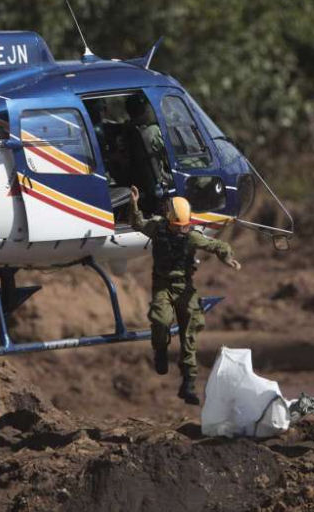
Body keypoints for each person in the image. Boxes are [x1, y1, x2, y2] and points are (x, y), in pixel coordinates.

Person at [130, 185, 241, 405]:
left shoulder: (192, 238)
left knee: (189, 335)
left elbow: (217, 245)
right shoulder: (157, 228)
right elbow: (138, 224)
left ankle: (188, 383)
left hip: (185, 288)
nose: (182, 229)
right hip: (163, 285)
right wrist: (134, 203)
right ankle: (160, 350)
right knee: (160, 320)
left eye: (185, 226)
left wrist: (227, 258)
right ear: (169, 220)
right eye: (178, 226)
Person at [126, 94, 172, 211]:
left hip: (145, 186)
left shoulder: (130, 132)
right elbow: (174, 152)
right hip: (162, 183)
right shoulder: (153, 132)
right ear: (145, 110)